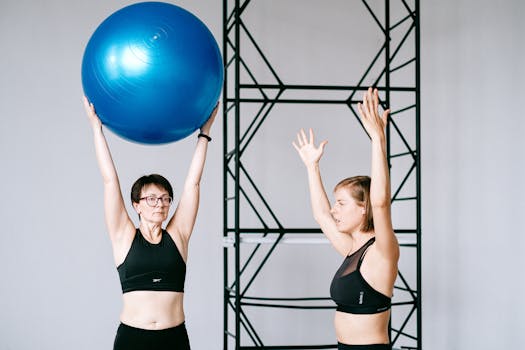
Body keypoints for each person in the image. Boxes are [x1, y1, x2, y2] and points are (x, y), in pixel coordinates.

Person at [83, 96, 217, 350]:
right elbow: (110, 180)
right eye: (152, 198)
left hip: (174, 338)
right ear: (137, 205)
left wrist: (205, 134)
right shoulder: (123, 235)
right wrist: (96, 129)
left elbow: (193, 183)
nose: (161, 204)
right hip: (133, 339)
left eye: (166, 199)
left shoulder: (178, 235)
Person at [292, 87, 399, 350]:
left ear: (364, 208)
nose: (334, 210)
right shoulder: (352, 249)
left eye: (341, 203)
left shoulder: (383, 252)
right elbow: (321, 215)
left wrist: (377, 139)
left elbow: (381, 202)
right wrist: (312, 167)